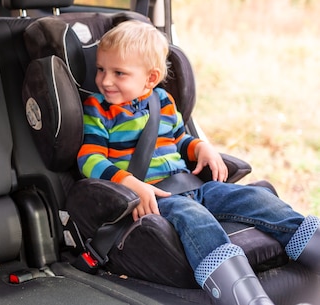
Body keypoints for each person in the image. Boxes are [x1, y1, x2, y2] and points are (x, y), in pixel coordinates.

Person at [77, 19, 319, 305]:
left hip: (192, 185)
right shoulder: (98, 109)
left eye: (119, 73)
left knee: (255, 196)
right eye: (101, 69)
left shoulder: (163, 102)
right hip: (156, 197)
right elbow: (88, 159)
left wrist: (201, 148)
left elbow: (179, 140)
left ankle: (311, 244)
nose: (105, 80)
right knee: (196, 219)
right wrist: (131, 184)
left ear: (150, 78)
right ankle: (243, 295)